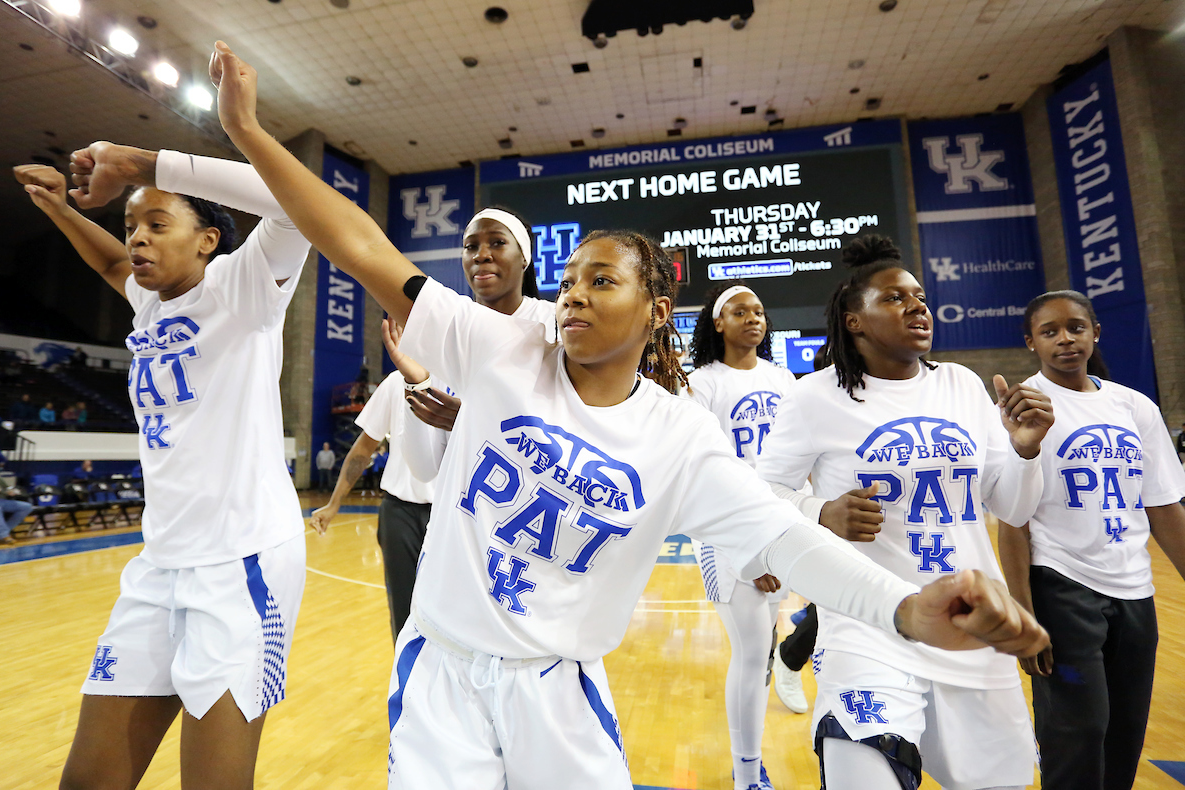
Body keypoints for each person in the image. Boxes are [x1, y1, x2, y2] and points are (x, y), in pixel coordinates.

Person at [209, 41, 1049, 789]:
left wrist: (905, 609)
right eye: (570, 280)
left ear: (656, 311)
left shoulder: (678, 434)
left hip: (560, 688)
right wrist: (248, 131)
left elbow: (786, 537)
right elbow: (357, 242)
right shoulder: (501, 350)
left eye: (602, 280)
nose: (575, 293)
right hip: (443, 676)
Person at [15, 132, 310, 790]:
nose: (138, 239)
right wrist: (60, 209)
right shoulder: (149, 302)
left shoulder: (245, 287)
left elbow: (293, 204)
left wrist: (141, 165)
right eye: (130, 225)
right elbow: (108, 267)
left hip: (244, 563)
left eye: (156, 223)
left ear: (207, 239)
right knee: (87, 781)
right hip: (159, 564)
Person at [757, 235, 1055, 790]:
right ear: (854, 321)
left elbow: (1012, 504)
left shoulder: (962, 386)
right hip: (868, 631)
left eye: (920, 296)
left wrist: (1026, 450)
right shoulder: (815, 396)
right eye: (895, 298)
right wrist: (820, 511)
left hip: (972, 630)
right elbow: (760, 493)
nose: (918, 306)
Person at [996, 290, 1185, 790]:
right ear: (1030, 342)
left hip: (1135, 589)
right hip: (1060, 585)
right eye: (1050, 331)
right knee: (1079, 729)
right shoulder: (1023, 408)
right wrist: (1022, 610)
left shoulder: (1133, 406)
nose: (1065, 339)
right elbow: (1012, 522)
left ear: (1095, 332)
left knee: (1125, 731)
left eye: (1076, 327)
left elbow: (1163, 504)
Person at [684, 282, 799, 789]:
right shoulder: (701, 383)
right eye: (739, 311)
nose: (753, 318)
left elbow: (800, 460)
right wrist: (750, 549)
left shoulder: (783, 378)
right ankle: (747, 774)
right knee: (752, 651)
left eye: (758, 311)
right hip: (726, 532)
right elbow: (701, 475)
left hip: (781, 522)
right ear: (717, 322)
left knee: (766, 646)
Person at [398, 205, 557, 482]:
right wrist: (415, 382)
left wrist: (475, 420)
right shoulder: (447, 333)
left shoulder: (555, 324)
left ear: (525, 258)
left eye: (497, 243)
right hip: (463, 516)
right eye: (470, 247)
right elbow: (424, 470)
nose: (481, 255)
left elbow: (574, 434)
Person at [311, 320, 436, 643]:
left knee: (452, 611)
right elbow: (363, 447)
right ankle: (406, 686)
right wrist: (334, 502)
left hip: (451, 512)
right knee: (404, 613)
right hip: (400, 513)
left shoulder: (465, 379)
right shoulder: (395, 383)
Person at [0, 456, 34, 544]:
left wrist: (10, 492)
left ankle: (3, 531)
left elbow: (6, 488)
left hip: (2, 500)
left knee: (26, 507)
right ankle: (2, 536)